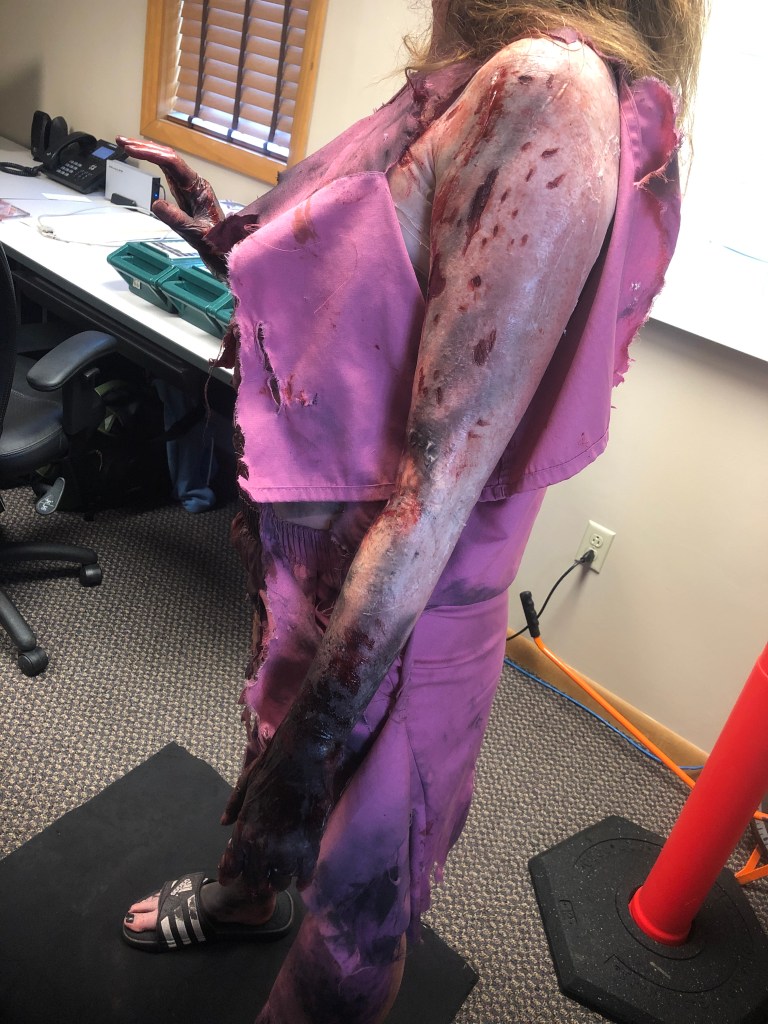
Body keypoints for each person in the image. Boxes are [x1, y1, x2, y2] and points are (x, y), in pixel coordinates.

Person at [119, 1, 706, 1021]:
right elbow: (381, 307)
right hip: (337, 584)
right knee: (273, 767)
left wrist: (312, 749)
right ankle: (244, 895)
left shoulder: (548, 90)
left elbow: (441, 486)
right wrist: (234, 251)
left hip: (396, 616)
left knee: (353, 917)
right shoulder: (482, 75)